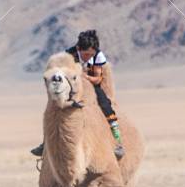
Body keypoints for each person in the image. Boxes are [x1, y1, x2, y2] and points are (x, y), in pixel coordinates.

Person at [30, 30, 126, 160]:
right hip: (72, 87)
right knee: (53, 109)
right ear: (78, 48)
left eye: (91, 54)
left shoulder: (98, 55)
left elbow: (97, 79)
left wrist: (84, 76)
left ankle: (118, 142)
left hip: (91, 84)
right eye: (86, 54)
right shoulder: (68, 56)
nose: (88, 57)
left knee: (107, 107)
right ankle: (45, 144)